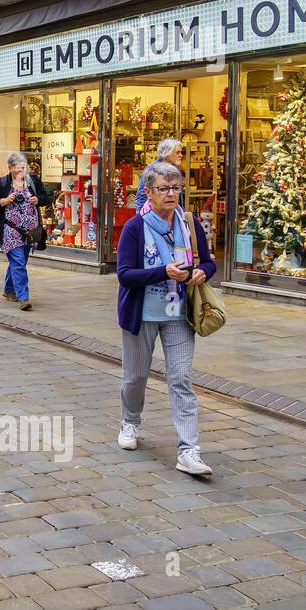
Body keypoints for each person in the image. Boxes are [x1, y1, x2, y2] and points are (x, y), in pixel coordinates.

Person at [116, 161, 216, 477]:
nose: (171, 194)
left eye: (175, 188)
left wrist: (202, 272)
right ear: (148, 192)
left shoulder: (189, 223)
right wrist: (163, 271)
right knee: (136, 377)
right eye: (164, 188)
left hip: (178, 314)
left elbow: (210, 263)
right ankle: (129, 422)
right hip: (142, 315)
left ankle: (189, 451)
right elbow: (125, 275)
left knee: (181, 378)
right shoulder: (136, 227)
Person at [0, 152, 48, 311]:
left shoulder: (33, 181)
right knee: (19, 262)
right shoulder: (2, 183)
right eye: (17, 168)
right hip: (10, 231)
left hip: (30, 232)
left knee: (19, 261)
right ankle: (23, 298)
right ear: (10, 167)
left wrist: (38, 200)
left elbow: (48, 197)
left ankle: (9, 290)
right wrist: (4, 201)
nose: (21, 171)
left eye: (23, 167)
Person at [135, 138, 185, 212]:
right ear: (166, 152)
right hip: (154, 216)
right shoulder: (151, 169)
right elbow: (141, 197)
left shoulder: (176, 169)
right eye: (177, 152)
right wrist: (141, 219)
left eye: (181, 152)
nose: (181, 155)